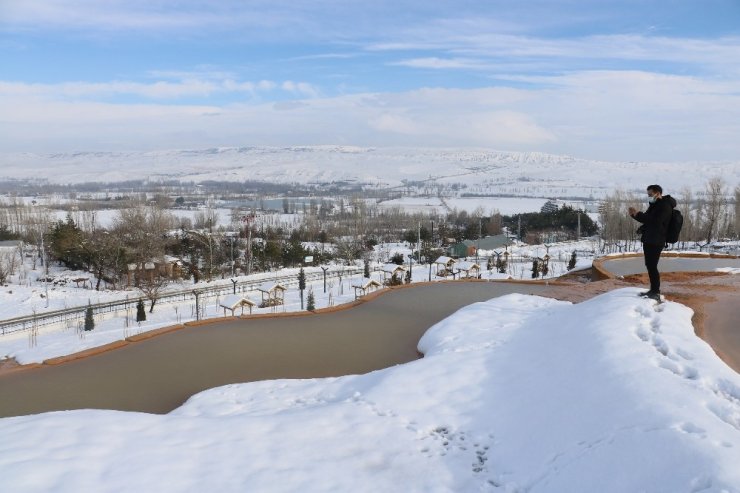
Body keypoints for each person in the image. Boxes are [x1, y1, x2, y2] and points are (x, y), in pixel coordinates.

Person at [628, 185, 676, 301]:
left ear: (658, 193)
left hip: (656, 240)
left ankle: (656, 292)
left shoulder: (665, 206)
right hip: (650, 239)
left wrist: (638, 214)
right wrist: (634, 216)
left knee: (652, 266)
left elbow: (655, 221)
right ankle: (653, 290)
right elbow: (648, 220)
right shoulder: (655, 205)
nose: (649, 197)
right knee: (650, 265)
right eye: (648, 195)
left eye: (650, 194)